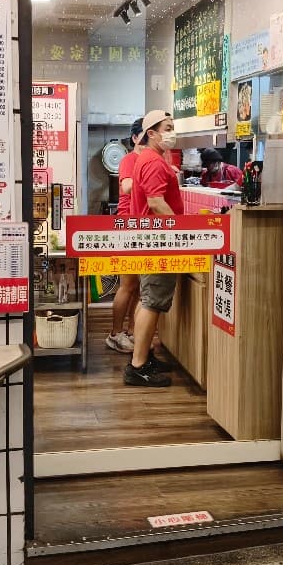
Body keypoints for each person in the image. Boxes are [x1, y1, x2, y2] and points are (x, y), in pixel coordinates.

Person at [125, 110, 183, 387]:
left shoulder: (148, 158)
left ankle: (144, 356)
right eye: (167, 128)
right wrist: (181, 231)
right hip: (159, 241)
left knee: (147, 298)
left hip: (151, 239)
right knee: (151, 302)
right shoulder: (153, 162)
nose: (172, 133)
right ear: (151, 133)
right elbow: (157, 203)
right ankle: (138, 367)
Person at [105, 117, 144, 353]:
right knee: (128, 285)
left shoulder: (150, 159)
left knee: (137, 287)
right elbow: (128, 186)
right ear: (135, 138)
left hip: (143, 228)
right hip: (129, 227)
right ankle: (115, 333)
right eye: (146, 134)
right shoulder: (130, 159)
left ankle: (130, 331)